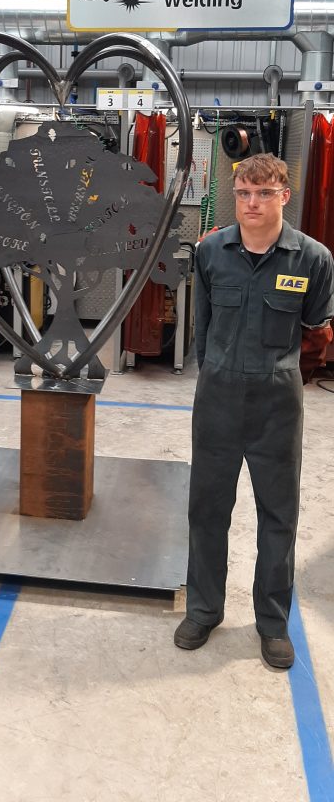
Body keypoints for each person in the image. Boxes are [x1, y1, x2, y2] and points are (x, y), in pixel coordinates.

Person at [174, 153, 334, 669]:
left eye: (264, 193)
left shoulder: (313, 260)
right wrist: (214, 374)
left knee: (278, 516)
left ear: (284, 196)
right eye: (243, 193)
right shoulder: (211, 252)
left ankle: (271, 623)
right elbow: (202, 325)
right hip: (217, 398)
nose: (252, 203)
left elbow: (315, 330)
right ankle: (203, 609)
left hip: (277, 405)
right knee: (207, 509)